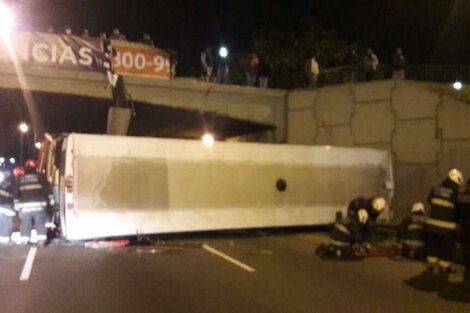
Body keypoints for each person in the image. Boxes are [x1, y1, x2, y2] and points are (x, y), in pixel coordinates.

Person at [405, 169, 463, 292]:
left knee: (433, 250)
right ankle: (442, 275)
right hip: (447, 228)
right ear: (456, 180)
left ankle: (430, 270)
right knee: (445, 253)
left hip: (431, 226)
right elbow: (458, 210)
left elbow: (430, 201)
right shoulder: (456, 193)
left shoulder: (435, 189)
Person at [438, 179, 470, 302]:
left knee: (466, 253)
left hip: (466, 230)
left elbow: (456, 213)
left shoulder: (461, 198)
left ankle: (467, 273)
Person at [14, 160, 54, 244]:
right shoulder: (40, 176)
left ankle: (25, 240)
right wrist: (51, 199)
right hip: (39, 205)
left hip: (25, 207)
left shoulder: (21, 178)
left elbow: (16, 192)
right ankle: (42, 240)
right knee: (40, 222)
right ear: (35, 167)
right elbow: (47, 189)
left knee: (25, 223)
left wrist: (16, 204)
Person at [0, 170, 15, 244]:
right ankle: (5, 237)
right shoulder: (11, 184)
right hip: (7, 206)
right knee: (6, 222)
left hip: (4, 205)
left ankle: (4, 237)